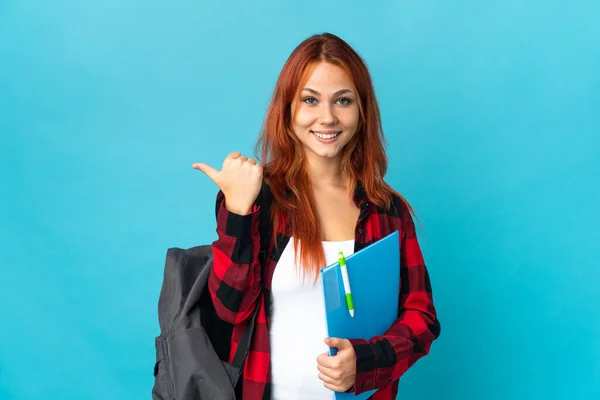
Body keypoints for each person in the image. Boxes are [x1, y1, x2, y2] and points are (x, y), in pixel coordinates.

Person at [192, 32, 440, 400]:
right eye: (311, 100)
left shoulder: (386, 210)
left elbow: (421, 316)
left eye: (343, 100)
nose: (327, 117)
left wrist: (367, 361)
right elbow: (228, 312)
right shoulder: (259, 199)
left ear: (362, 110)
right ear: (288, 108)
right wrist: (238, 212)